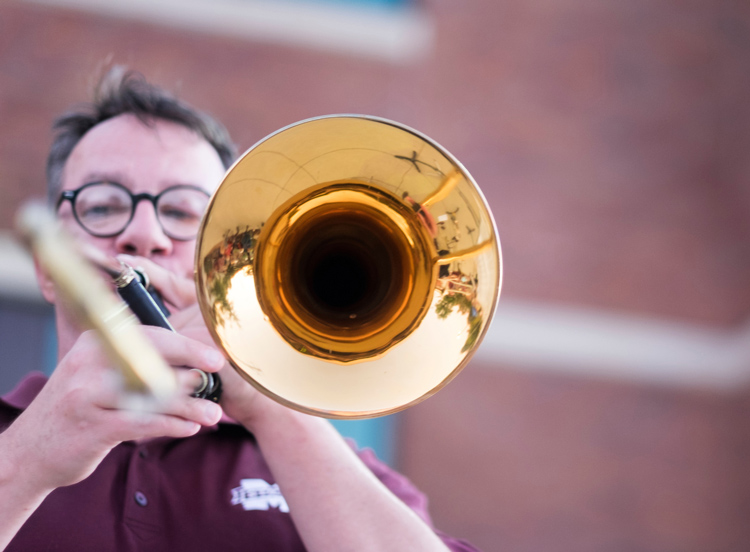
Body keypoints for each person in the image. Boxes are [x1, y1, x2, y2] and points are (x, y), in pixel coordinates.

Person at [0, 67, 478, 551]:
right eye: (101, 207)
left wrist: (271, 408)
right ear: (47, 268)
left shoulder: (340, 469)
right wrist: (27, 458)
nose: (146, 234)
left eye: (183, 212)